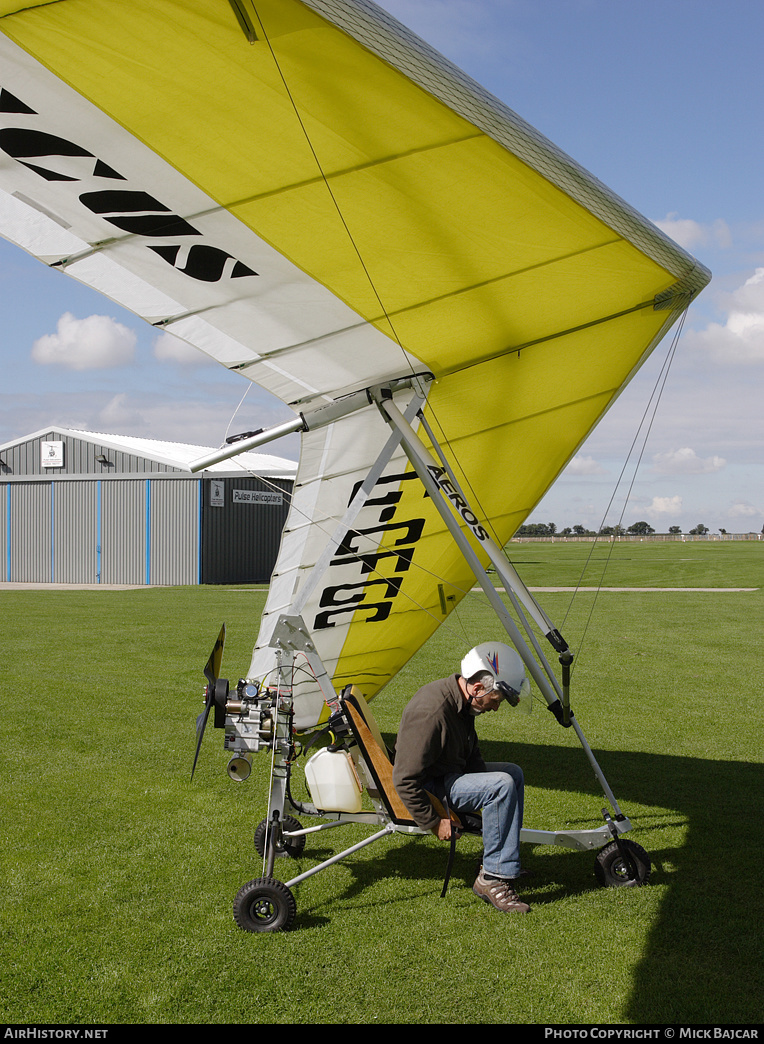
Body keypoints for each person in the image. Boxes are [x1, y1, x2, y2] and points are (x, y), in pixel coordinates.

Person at [392, 642, 532, 913]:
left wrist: (484, 786)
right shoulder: (431, 712)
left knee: (511, 774)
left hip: (448, 776)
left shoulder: (464, 703)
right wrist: (433, 822)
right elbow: (404, 778)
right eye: (496, 700)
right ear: (478, 688)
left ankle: (502, 859)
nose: (496, 708)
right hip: (432, 787)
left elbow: (470, 754)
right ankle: (492, 878)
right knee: (500, 785)